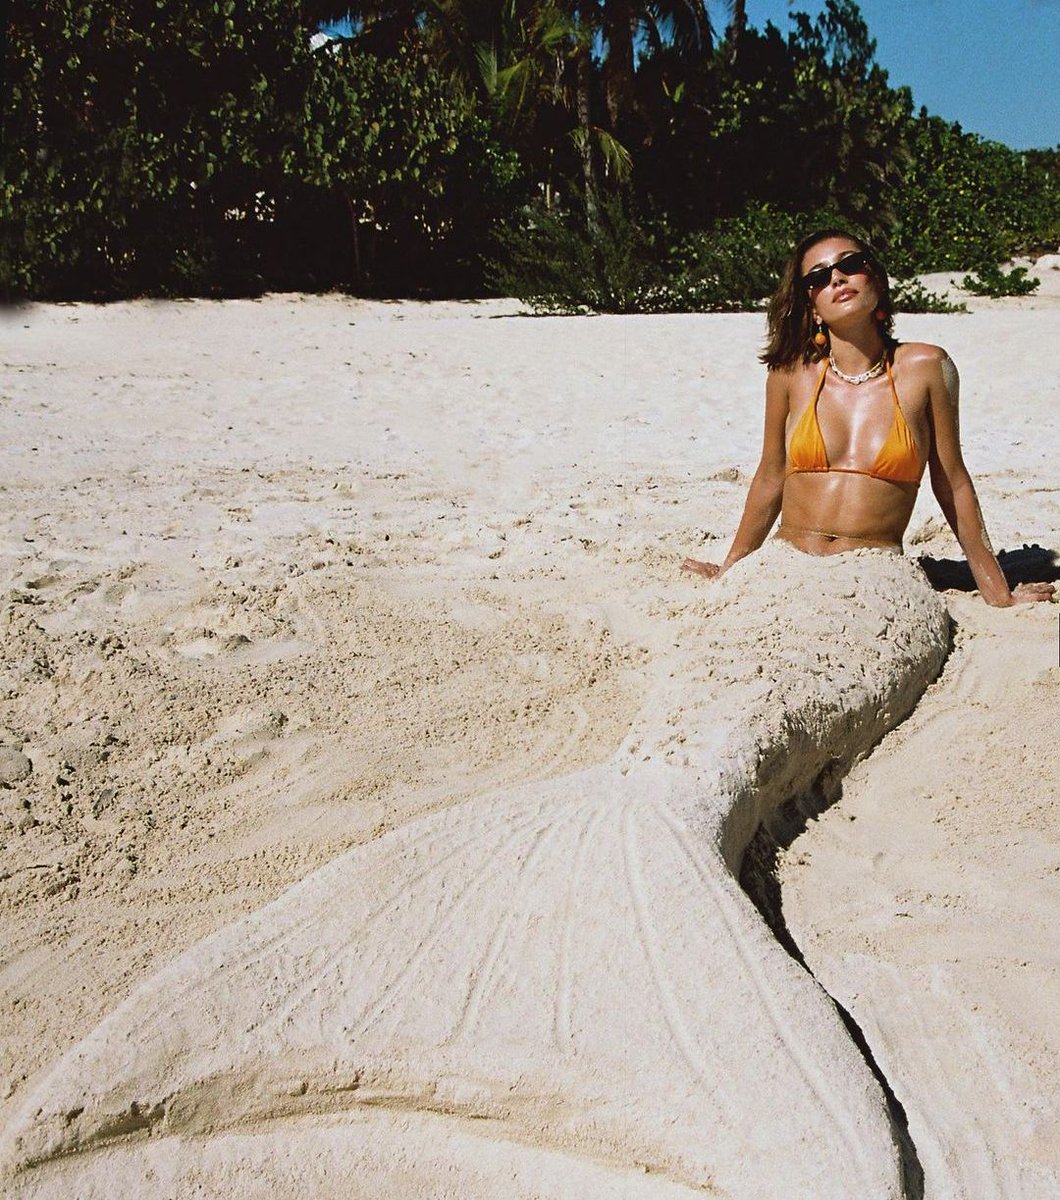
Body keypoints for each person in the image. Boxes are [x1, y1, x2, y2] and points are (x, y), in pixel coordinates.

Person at [681, 229, 1054, 607]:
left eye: (850, 265)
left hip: (875, 570)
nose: (837, 279)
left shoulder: (926, 367)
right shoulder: (790, 374)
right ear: (811, 306)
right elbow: (770, 475)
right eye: (819, 277)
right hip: (786, 561)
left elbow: (952, 482)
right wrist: (732, 571)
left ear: (875, 277)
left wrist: (997, 592)